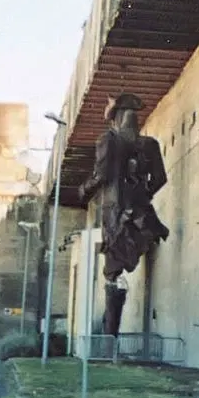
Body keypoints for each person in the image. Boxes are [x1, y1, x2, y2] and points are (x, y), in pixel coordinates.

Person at [77, 92, 169, 337]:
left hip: (116, 213)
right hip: (142, 215)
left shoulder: (108, 139)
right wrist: (142, 196)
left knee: (111, 272)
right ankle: (116, 336)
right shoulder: (150, 144)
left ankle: (110, 339)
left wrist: (83, 190)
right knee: (123, 266)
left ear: (115, 117)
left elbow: (102, 175)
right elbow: (160, 179)